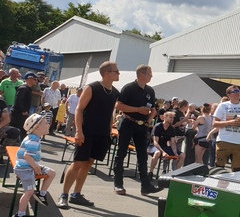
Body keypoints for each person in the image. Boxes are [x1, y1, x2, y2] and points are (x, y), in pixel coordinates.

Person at [57, 62, 121, 209]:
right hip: (87, 132)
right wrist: (79, 131)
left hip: (102, 133)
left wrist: (110, 130)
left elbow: (111, 113)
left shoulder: (115, 93)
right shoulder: (92, 88)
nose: (118, 74)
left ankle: (76, 194)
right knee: (78, 162)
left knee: (88, 163)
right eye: (116, 71)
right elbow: (79, 110)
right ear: (106, 73)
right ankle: (64, 195)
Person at [112, 64, 162, 196]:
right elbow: (119, 105)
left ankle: (145, 185)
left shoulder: (150, 91)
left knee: (142, 155)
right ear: (142, 74)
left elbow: (153, 109)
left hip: (142, 125)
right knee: (121, 152)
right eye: (149, 74)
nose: (151, 76)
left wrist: (149, 119)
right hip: (128, 122)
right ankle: (118, 183)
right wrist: (138, 109)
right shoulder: (129, 88)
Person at [11, 113, 56, 217]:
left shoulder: (34, 138)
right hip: (24, 169)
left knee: (51, 173)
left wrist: (36, 166)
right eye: (46, 123)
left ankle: (42, 194)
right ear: (37, 127)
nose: (48, 125)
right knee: (29, 192)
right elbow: (27, 156)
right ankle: (19, 215)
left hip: (30, 166)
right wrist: (36, 168)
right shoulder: (34, 140)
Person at [213, 86, 240, 171]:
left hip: (238, 143)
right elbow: (214, 123)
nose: (238, 93)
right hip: (223, 141)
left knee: (238, 170)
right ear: (229, 95)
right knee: (219, 168)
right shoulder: (222, 106)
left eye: (239, 91)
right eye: (235, 91)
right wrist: (229, 122)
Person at [10, 72, 39, 139]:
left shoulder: (28, 89)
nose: (36, 81)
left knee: (22, 131)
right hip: (18, 114)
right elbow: (19, 100)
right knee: (17, 130)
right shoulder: (23, 88)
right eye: (35, 79)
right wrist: (23, 110)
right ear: (30, 79)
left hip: (22, 113)